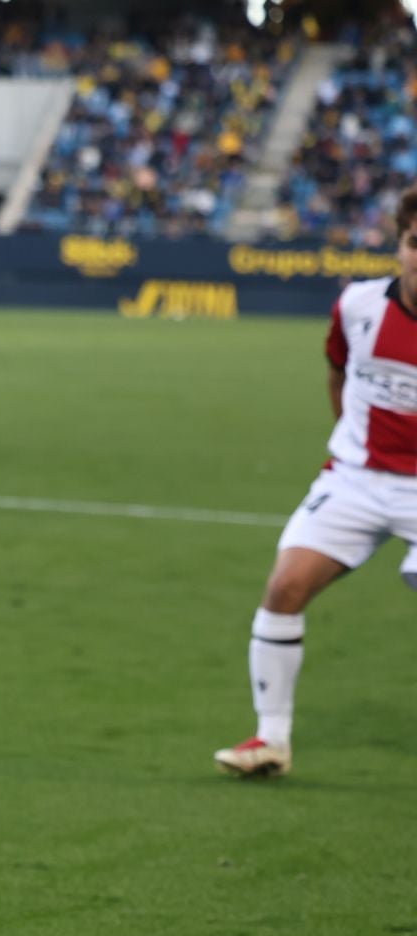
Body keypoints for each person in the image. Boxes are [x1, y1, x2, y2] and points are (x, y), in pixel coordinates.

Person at [214, 187, 417, 778]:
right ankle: (270, 742)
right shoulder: (357, 305)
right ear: (399, 245)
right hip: (357, 478)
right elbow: (337, 374)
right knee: (284, 588)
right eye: (414, 243)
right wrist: (351, 448)